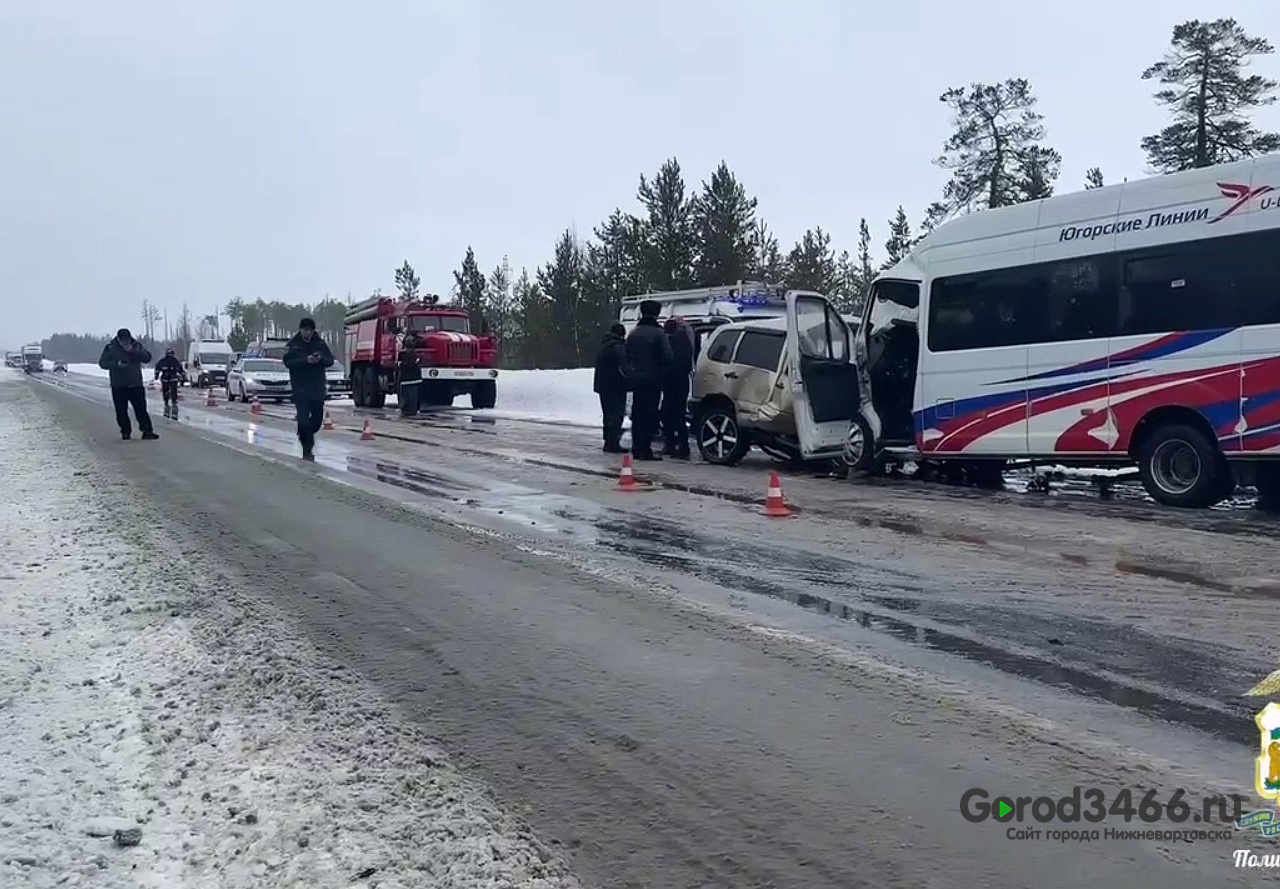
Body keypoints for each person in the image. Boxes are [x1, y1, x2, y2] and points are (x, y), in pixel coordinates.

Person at [624, 300, 673, 461]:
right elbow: (667, 357)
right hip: (653, 380)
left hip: (636, 380)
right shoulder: (658, 334)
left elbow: (626, 357)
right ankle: (645, 448)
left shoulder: (633, 333)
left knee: (637, 414)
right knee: (650, 414)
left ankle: (636, 447)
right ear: (656, 314)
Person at [282, 317, 335, 461]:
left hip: (317, 388)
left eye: (310, 330)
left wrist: (320, 359)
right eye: (305, 330)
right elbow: (287, 362)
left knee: (317, 422)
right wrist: (306, 361)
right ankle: (307, 449)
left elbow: (330, 360)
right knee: (304, 420)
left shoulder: (320, 344)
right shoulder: (293, 345)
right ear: (300, 330)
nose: (308, 333)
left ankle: (304, 434)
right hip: (300, 388)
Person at [98, 328, 157, 440]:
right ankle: (125, 431)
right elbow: (102, 363)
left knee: (141, 410)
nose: (126, 343)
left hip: (136, 384)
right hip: (119, 385)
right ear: (119, 339)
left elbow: (147, 358)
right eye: (124, 340)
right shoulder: (111, 348)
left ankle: (147, 431)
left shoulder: (136, 346)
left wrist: (135, 352)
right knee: (121, 411)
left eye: (127, 340)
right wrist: (116, 364)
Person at [659, 318, 694, 459]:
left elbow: (667, 361)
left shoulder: (671, 341)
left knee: (667, 414)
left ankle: (672, 444)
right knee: (678, 414)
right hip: (682, 382)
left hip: (671, 382)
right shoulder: (685, 341)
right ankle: (681, 445)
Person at [592, 323, 628, 453]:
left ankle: (608, 440)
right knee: (617, 415)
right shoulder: (618, 347)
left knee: (607, 414)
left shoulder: (604, 345)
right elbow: (624, 367)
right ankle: (613, 442)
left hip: (603, 386)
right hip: (616, 386)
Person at [153, 348, 186, 418]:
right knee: (167, 390)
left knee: (173, 390)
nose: (170, 356)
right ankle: (167, 401)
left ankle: (172, 401)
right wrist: (156, 375)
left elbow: (180, 369)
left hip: (172, 378)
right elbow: (157, 368)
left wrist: (183, 376)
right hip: (166, 378)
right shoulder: (165, 361)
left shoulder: (174, 361)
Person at [397, 333, 422, 417]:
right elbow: (417, 366)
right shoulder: (416, 355)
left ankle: (406, 410)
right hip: (413, 379)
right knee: (412, 396)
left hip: (405, 380)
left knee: (407, 396)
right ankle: (412, 410)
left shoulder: (402, 355)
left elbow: (400, 366)